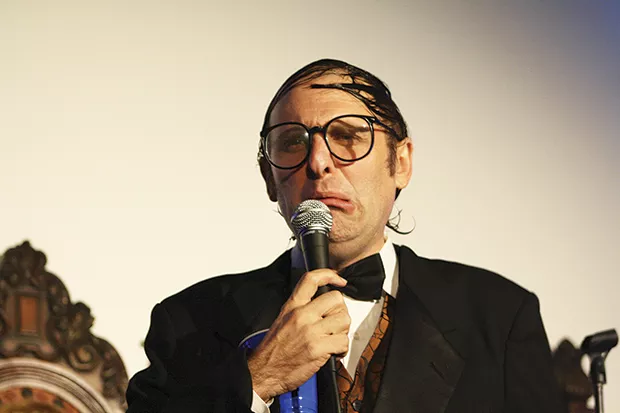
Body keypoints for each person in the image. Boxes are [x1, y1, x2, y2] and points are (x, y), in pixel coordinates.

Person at [126, 59, 562, 413]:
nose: (318, 162)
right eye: (292, 142)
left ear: (401, 163)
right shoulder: (190, 321)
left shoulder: (499, 315)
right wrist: (259, 379)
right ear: (269, 178)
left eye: (347, 136)